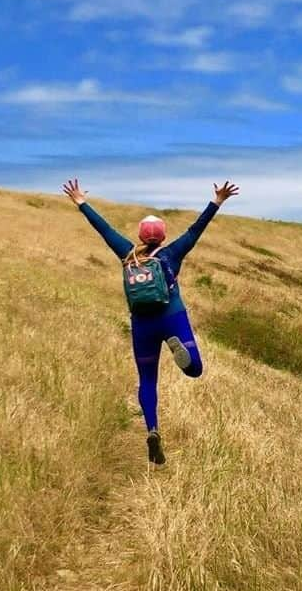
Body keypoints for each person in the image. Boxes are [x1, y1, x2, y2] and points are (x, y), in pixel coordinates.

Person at [62, 177, 240, 464]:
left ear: (142, 236)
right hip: (172, 316)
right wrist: (217, 201)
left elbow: (104, 229)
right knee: (194, 369)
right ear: (163, 236)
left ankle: (153, 430)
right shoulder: (172, 253)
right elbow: (197, 229)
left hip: (142, 324)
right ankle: (178, 348)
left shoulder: (128, 253)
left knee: (147, 380)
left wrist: (81, 202)